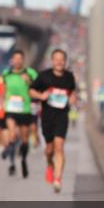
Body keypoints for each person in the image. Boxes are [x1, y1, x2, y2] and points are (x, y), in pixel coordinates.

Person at [30, 48, 77, 194]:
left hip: (62, 116)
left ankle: (57, 179)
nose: (59, 62)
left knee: (59, 147)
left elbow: (72, 92)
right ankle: (49, 165)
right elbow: (31, 90)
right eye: (56, 59)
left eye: (62, 59)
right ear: (52, 61)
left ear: (65, 61)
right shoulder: (44, 76)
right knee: (49, 150)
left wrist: (72, 98)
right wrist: (40, 95)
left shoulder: (69, 77)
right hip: (47, 118)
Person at [1, 50, 37, 178]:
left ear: (23, 60)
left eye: (20, 58)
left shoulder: (30, 73)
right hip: (11, 109)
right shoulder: (6, 74)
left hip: (25, 110)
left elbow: (38, 87)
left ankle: (23, 160)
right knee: (11, 135)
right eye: (15, 58)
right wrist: (2, 101)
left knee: (25, 140)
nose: (17, 61)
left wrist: (29, 81)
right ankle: (11, 164)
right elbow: (4, 90)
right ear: (12, 60)